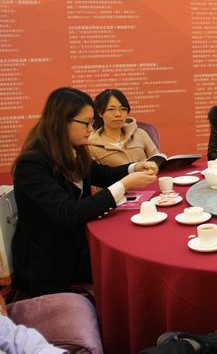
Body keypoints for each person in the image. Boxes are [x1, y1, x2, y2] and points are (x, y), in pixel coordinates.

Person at [11, 87, 158, 297]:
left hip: (78, 242)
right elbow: (68, 213)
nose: (91, 129)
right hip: (51, 260)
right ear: (62, 121)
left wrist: (134, 167)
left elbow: (101, 173)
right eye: (87, 123)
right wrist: (125, 184)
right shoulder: (32, 164)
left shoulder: (74, 148)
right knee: (129, 267)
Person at [87, 89, 159, 166]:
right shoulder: (92, 145)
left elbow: (158, 161)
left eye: (123, 109)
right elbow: (97, 173)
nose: (118, 114)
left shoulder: (140, 134)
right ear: (100, 113)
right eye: (111, 109)